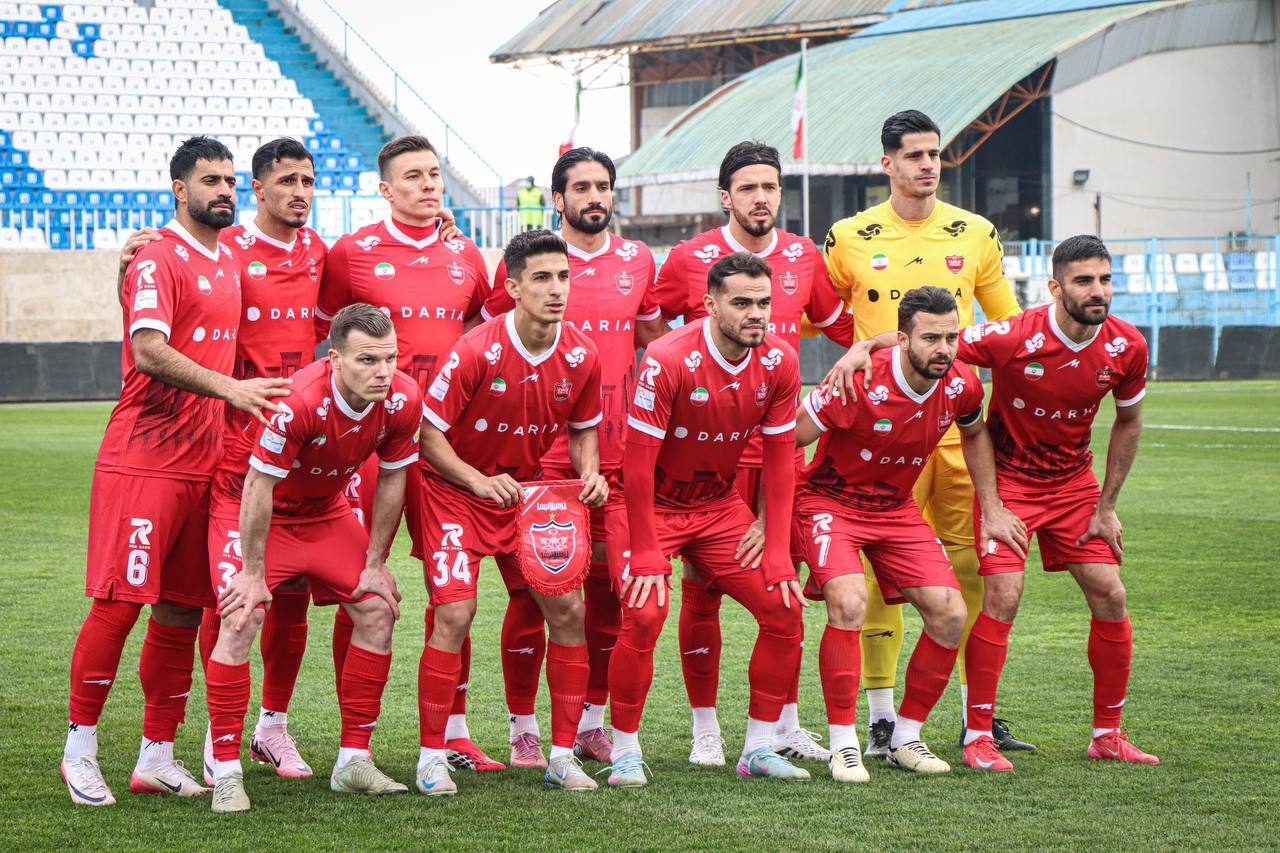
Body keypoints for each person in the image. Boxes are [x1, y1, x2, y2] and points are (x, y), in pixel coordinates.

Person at [62, 136, 289, 806]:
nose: (223, 190)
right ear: (178, 190)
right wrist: (231, 389)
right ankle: (79, 749)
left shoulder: (228, 258)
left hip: (205, 463)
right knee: (118, 602)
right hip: (145, 458)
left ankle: (156, 755)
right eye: (209, 180)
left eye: (229, 181)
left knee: (183, 609)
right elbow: (149, 350)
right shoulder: (159, 255)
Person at [118, 138, 334, 782]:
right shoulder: (222, 246)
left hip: (295, 441)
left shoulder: (321, 251)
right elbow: (159, 301)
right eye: (286, 180)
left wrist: (442, 228)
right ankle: (217, 740)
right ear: (257, 190)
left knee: (292, 592)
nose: (300, 191)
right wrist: (127, 262)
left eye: (308, 180)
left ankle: (272, 728)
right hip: (227, 441)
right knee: (226, 594)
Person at [822, 109, 1031, 758]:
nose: (927, 165)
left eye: (935, 154)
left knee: (971, 566)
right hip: (879, 439)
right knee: (877, 572)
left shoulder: (976, 232)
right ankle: (881, 717)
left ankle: (976, 715)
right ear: (887, 163)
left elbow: (1005, 328)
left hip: (955, 429)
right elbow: (816, 314)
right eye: (914, 155)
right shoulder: (848, 237)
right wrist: (860, 349)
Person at [650, 140, 853, 765]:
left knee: (782, 586)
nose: (760, 198)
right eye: (748, 188)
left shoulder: (803, 255)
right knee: (702, 590)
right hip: (711, 458)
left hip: (779, 453)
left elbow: (840, 324)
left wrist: (867, 350)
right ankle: (705, 728)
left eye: (770, 187)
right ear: (726, 197)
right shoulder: (690, 258)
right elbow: (650, 320)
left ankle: (784, 725)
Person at [317, 134, 500, 772]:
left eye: (434, 174)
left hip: (443, 444)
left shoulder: (464, 254)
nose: (428, 185)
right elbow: (322, 337)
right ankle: (353, 744)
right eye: (414, 176)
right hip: (369, 446)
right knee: (358, 585)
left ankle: (453, 733)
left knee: (453, 591)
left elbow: (484, 332)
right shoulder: (352, 252)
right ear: (385, 188)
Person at [792, 286, 1027, 781]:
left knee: (950, 613)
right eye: (930, 338)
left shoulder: (962, 384)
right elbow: (790, 436)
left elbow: (975, 433)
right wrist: (766, 514)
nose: (944, 349)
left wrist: (992, 507)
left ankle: (905, 737)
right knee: (850, 603)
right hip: (831, 501)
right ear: (902, 339)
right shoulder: (859, 378)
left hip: (895, 509)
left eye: (951, 337)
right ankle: (843, 745)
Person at [481, 147, 665, 767]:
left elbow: (653, 340)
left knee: (610, 599)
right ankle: (522, 727)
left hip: (613, 461)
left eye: (603, 186)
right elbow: (490, 337)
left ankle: (590, 721)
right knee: (533, 598)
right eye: (581, 187)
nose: (594, 197)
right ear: (558, 199)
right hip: (541, 464)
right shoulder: (535, 263)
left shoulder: (638, 260)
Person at [205, 304, 421, 811]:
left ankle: (353, 762)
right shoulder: (299, 400)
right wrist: (253, 574)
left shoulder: (404, 398)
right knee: (241, 615)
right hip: (254, 508)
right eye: (367, 360)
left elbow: (394, 478)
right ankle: (226, 772)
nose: (383, 371)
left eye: (390, 358)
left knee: (377, 606)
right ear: (335, 359)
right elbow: (257, 486)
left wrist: (376, 562)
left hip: (324, 511)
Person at [415, 229, 607, 796]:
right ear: (515, 287)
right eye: (542, 278)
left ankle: (562, 756)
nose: (557, 289)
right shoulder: (477, 349)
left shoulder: (582, 353)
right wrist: (476, 479)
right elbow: (428, 435)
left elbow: (584, 430)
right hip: (454, 492)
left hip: (526, 495)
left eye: (564, 277)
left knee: (569, 610)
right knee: (455, 614)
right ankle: (431, 757)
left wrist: (589, 473)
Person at [607, 251, 806, 787]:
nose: (756, 313)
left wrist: (778, 550)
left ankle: (758, 748)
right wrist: (646, 549)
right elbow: (636, 464)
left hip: (717, 507)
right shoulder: (667, 357)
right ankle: (624, 750)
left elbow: (781, 460)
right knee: (645, 614)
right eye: (741, 303)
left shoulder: (781, 360)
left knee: (785, 607)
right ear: (710, 305)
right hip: (648, 506)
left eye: (763, 302)